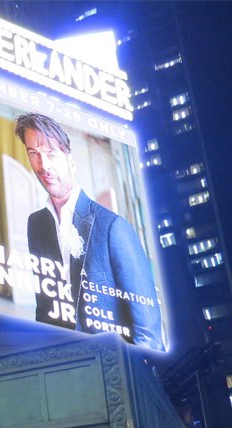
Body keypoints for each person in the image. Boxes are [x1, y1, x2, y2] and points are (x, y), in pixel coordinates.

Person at [14, 113, 164, 351]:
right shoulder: (36, 224)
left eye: (51, 153)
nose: (43, 165)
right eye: (34, 153)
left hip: (113, 372)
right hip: (64, 372)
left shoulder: (113, 228)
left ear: (70, 160)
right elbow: (44, 308)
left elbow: (148, 333)